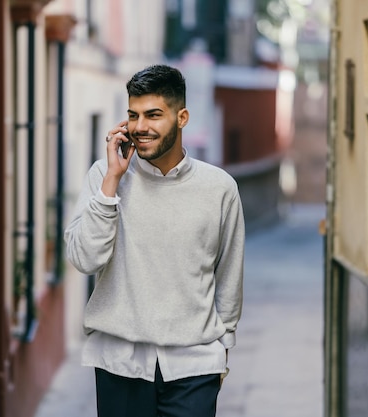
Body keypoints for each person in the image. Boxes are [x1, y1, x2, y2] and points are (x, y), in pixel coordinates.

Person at [64, 64, 245, 417]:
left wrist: (222, 351)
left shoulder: (219, 188)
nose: (140, 127)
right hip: (120, 364)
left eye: (153, 115)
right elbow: (85, 258)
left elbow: (229, 279)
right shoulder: (104, 176)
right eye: (133, 115)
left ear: (182, 117)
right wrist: (112, 184)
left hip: (194, 367)